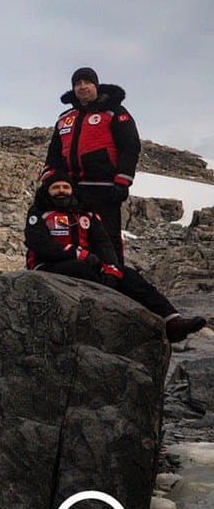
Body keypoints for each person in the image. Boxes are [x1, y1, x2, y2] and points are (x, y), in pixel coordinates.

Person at [25, 173, 206, 342]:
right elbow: (39, 243)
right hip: (49, 266)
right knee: (83, 269)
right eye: (56, 187)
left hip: (87, 263)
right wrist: (78, 253)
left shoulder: (86, 214)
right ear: (48, 190)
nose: (61, 191)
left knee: (127, 275)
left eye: (65, 187)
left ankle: (171, 320)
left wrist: (111, 268)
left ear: (72, 190)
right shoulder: (39, 213)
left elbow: (103, 243)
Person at [41, 67, 140, 266]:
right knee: (76, 236)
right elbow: (54, 154)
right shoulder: (64, 118)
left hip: (106, 189)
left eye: (87, 82)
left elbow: (130, 146)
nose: (82, 86)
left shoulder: (114, 112)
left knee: (108, 238)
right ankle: (83, 277)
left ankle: (115, 277)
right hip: (73, 190)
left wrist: (123, 180)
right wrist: (49, 178)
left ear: (96, 85)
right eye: (78, 83)